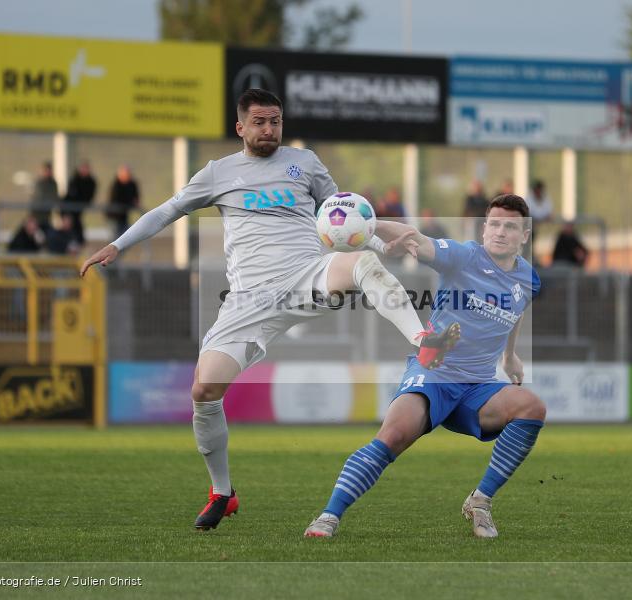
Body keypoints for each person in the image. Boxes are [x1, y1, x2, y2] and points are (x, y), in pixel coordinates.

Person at [80, 89, 460, 532]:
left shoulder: (305, 163)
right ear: (240, 127)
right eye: (259, 121)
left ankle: (423, 341)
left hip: (306, 275)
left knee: (365, 265)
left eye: (275, 120)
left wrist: (380, 243)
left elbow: (342, 222)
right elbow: (167, 211)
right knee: (204, 391)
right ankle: (223, 492)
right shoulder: (218, 173)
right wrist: (117, 245)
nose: (269, 129)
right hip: (248, 300)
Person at [304, 195, 545, 539]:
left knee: (532, 407)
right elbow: (416, 238)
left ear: (524, 236)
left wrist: (509, 356)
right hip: (433, 374)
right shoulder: (464, 256)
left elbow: (517, 310)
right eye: (494, 224)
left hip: (478, 389)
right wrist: (369, 224)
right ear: (483, 229)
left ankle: (480, 501)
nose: (501, 231)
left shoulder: (529, 279)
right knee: (392, 438)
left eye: (510, 226)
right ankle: (329, 516)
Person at [63, 160, 97, 245]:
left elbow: (88, 197)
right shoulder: (74, 180)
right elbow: (69, 196)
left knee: (76, 227)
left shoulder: (91, 182)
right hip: (70, 208)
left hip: (79, 209)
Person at [107, 165, 140, 239]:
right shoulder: (116, 185)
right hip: (114, 216)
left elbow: (136, 198)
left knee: (126, 236)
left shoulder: (132, 184)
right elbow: (114, 200)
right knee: (115, 238)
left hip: (125, 215)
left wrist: (134, 203)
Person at [31, 162, 59, 231]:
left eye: (49, 171)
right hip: (37, 215)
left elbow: (54, 197)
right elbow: (38, 197)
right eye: (46, 171)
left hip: (47, 216)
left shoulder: (53, 183)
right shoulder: (39, 183)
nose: (48, 173)